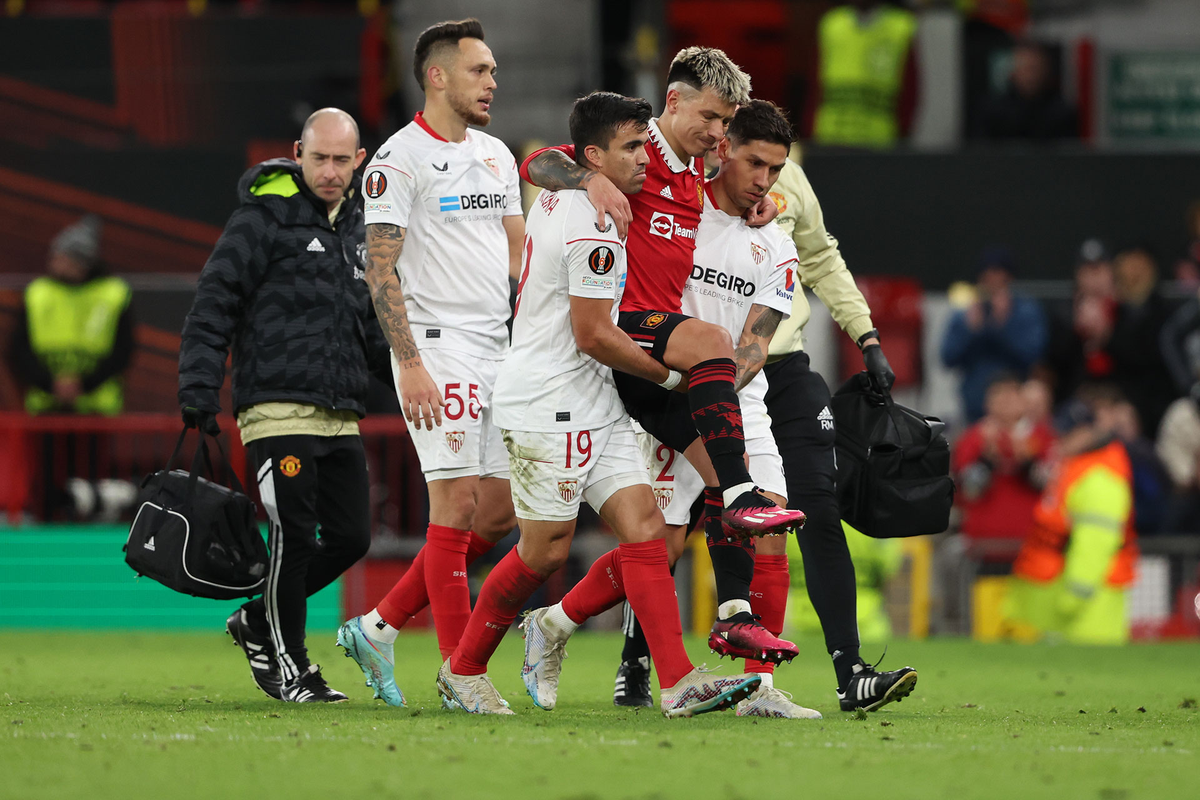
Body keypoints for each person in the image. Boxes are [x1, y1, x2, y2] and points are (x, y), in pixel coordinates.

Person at [437, 91, 762, 717]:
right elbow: (594, 334)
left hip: (591, 395)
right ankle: (465, 668)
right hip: (548, 396)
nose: (644, 159)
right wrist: (667, 381)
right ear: (593, 156)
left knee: (643, 527)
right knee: (544, 551)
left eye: (645, 144)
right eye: (631, 148)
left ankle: (678, 681)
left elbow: (543, 164)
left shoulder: (572, 192)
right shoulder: (593, 225)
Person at [606, 101, 916, 716]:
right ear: (721, 146)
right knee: (660, 540)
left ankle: (761, 685)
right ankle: (580, 629)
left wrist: (866, 336)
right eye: (754, 163)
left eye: (775, 169)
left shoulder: (776, 239)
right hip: (664, 381)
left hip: (749, 382)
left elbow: (756, 339)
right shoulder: (674, 205)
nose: (765, 181)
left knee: (778, 519)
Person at [519, 47, 805, 659]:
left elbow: (779, 194)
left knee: (707, 515)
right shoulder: (633, 148)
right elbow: (537, 160)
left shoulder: (702, 180)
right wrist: (590, 175)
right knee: (580, 536)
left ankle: (729, 625)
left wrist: (772, 201)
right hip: (626, 346)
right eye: (712, 119)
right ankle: (618, 655)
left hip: (681, 374)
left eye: (727, 124)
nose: (718, 134)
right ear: (674, 102)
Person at [334, 19, 525, 707]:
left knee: (501, 515)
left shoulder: (498, 156)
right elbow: (379, 269)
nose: (493, 82)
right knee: (456, 506)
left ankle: (379, 626)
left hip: (499, 347)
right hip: (437, 345)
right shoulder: (397, 161)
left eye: (494, 70)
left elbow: (516, 255)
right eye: (480, 70)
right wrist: (409, 360)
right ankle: (459, 673)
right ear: (438, 76)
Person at [178, 108, 389, 702]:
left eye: (341, 160)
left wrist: (410, 384)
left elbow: (369, 328)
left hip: (339, 411)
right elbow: (215, 298)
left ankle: (255, 621)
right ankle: (292, 664)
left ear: (359, 161)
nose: (329, 170)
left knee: (350, 538)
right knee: (294, 535)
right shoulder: (262, 215)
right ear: (298, 151)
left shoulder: (359, 228)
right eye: (319, 157)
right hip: (275, 407)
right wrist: (198, 387)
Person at [1004, 384, 1139, 645]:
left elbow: (1094, 545)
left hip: (1089, 612)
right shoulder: (1076, 469)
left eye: (1070, 432)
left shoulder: (1100, 478)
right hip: (1069, 606)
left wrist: (1073, 597)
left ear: (1089, 432)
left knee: (1095, 682)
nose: (1061, 437)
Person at [8, 215, 134, 415]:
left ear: (81, 262)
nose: (54, 261)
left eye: (61, 256)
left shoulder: (113, 294)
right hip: (45, 410)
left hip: (96, 412)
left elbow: (123, 351)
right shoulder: (37, 293)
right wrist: (49, 384)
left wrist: (84, 384)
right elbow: (18, 349)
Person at [940, 246, 1047, 422]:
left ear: (1009, 278)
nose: (993, 282)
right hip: (974, 406)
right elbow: (947, 358)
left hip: (1018, 404)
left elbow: (1034, 355)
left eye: (999, 276)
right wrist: (970, 331)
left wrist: (1002, 327)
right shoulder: (967, 312)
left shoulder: (1026, 310)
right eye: (987, 276)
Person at [807, 0, 919, 148]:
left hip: (880, 141)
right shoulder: (832, 24)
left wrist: (903, 135)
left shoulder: (902, 27)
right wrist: (809, 130)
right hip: (830, 136)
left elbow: (911, 89)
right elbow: (814, 84)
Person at [1110, 245, 1180, 437]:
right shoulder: (1113, 311)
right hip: (1118, 394)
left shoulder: (1164, 311)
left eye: (1140, 266)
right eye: (1129, 265)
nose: (1134, 271)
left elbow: (1154, 357)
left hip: (1156, 397)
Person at [973, 39, 1077, 141]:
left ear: (1046, 71)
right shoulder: (992, 110)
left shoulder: (1061, 112)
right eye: (1026, 69)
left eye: (1035, 69)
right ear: (1014, 72)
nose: (1031, 76)